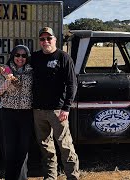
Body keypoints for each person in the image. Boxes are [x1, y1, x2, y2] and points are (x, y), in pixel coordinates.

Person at [31, 27, 80, 179]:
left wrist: (66, 108)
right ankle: (50, 177)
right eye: (42, 39)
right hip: (38, 110)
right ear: (39, 41)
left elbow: (72, 84)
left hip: (58, 111)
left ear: (55, 39)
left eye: (48, 38)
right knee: (45, 147)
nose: (45, 41)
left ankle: (72, 176)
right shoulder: (34, 57)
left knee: (65, 146)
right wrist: (4, 71)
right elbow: (16, 63)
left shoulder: (63, 57)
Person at [0, 45, 33, 180]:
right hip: (8, 114)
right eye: (17, 55)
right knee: (9, 149)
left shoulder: (32, 71)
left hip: (26, 114)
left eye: (23, 55)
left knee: (23, 150)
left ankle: (22, 178)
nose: (20, 58)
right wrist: (8, 80)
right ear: (13, 56)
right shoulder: (5, 70)